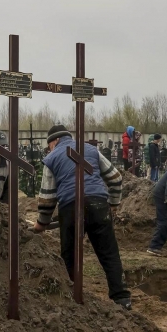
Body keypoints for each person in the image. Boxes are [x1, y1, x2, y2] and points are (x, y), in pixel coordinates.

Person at [35, 125, 132, 310]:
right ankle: (122, 299)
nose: (49, 150)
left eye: (49, 146)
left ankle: (72, 299)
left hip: (70, 207)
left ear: (53, 142)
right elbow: (116, 178)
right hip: (99, 204)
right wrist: (112, 204)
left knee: (69, 256)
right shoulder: (90, 149)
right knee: (109, 253)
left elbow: (47, 196)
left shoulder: (52, 157)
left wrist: (42, 223)